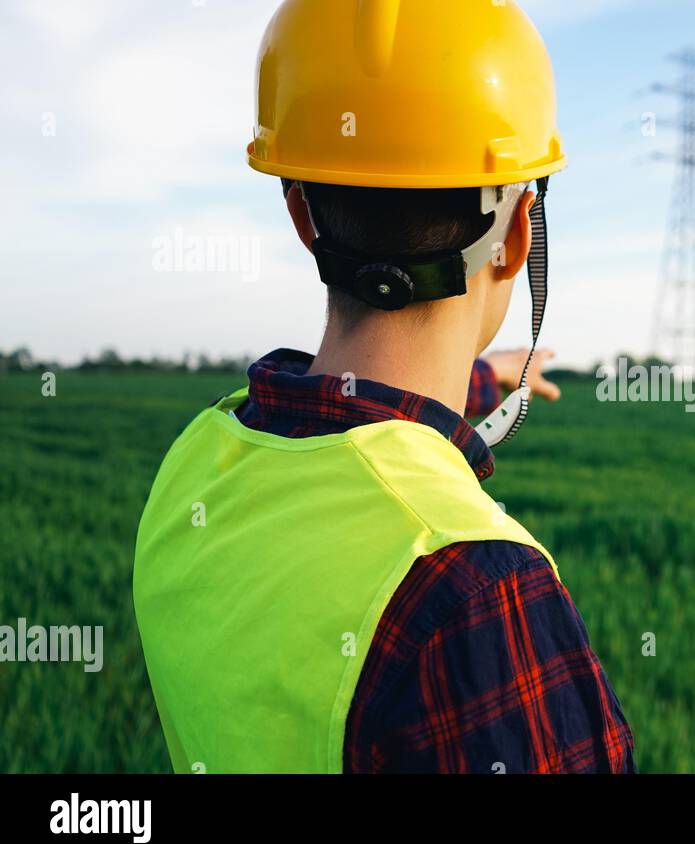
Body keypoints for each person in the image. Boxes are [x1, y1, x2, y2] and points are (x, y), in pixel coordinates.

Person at [133, 0, 634, 774]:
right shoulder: (473, 590)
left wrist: (481, 378)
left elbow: (357, 427)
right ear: (518, 235)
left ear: (302, 215)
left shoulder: (191, 470)